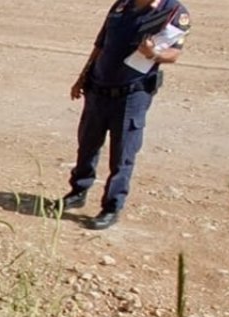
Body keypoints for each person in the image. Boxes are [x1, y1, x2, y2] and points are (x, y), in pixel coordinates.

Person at [62, 0, 191, 230]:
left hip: (131, 95)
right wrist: (82, 77)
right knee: (87, 144)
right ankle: (78, 191)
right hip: (98, 88)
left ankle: (112, 207)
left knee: (122, 153)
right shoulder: (121, 5)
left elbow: (174, 54)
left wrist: (154, 53)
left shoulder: (172, 11)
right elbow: (100, 45)